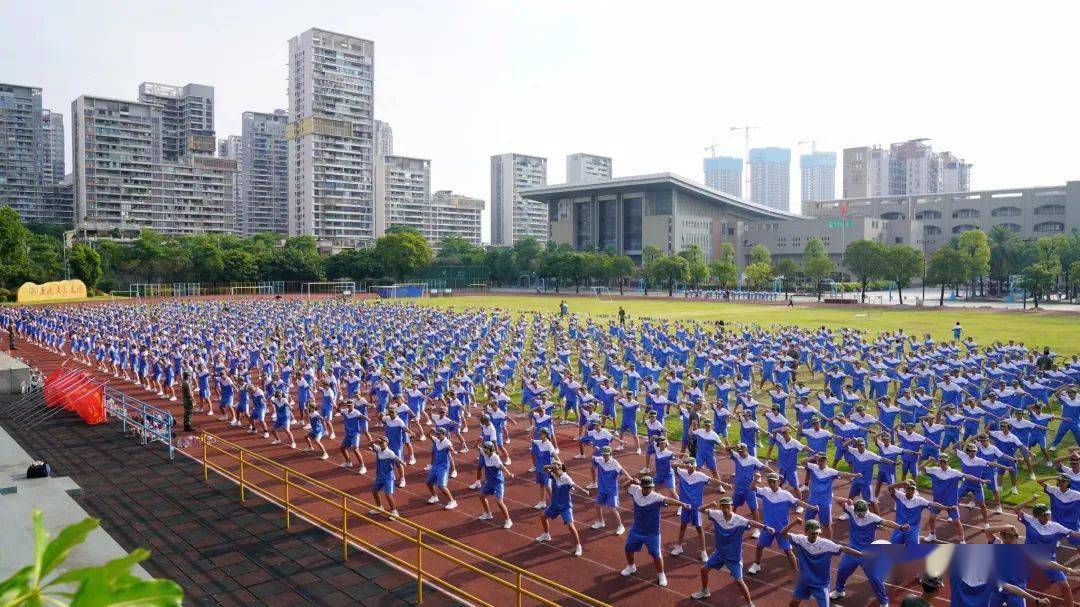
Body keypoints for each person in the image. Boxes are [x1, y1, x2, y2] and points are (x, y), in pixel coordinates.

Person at [691, 496, 770, 602]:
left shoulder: (739, 520)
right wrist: (710, 504)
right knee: (703, 570)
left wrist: (765, 527)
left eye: (728, 507)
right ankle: (705, 591)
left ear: (732, 507)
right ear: (720, 507)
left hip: (733, 557)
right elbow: (700, 509)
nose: (726, 509)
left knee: (739, 581)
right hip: (719, 553)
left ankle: (749, 603)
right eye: (723, 507)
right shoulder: (717, 515)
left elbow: (751, 522)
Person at [829, 499, 909, 603]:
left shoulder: (872, 517)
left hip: (868, 553)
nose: (862, 514)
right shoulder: (851, 510)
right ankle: (839, 591)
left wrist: (900, 527)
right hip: (852, 550)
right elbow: (838, 502)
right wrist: (847, 500)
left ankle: (884, 601)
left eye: (863, 512)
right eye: (859, 512)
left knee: (875, 578)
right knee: (842, 571)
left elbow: (886, 522)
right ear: (856, 510)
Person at [619, 475, 690, 588]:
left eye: (650, 487)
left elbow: (668, 500)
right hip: (636, 529)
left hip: (652, 533)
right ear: (641, 486)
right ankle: (631, 566)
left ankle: (661, 575)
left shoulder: (655, 497)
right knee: (628, 548)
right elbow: (623, 486)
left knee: (656, 554)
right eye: (646, 487)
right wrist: (631, 481)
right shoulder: (634, 490)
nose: (648, 489)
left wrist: (682, 504)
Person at [782, 518, 862, 607]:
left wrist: (861, 554)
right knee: (793, 604)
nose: (815, 535)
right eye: (812, 533)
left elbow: (844, 548)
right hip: (804, 581)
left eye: (817, 532)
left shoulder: (826, 544)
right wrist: (794, 523)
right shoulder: (800, 540)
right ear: (806, 531)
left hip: (820, 584)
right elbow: (783, 533)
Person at [535, 461, 588, 556]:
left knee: (570, 526)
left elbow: (574, 485)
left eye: (555, 467)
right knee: (543, 517)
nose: (552, 469)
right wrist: (553, 466)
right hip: (555, 505)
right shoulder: (553, 474)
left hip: (565, 507)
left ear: (559, 468)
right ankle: (546, 535)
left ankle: (578, 546)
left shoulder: (566, 478)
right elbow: (544, 468)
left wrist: (583, 490)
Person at [477, 441, 515, 529]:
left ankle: (508, 520)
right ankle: (488, 514)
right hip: (489, 482)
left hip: (498, 482)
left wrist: (509, 473)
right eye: (484, 448)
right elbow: (478, 448)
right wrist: (478, 442)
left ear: (490, 449)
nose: (484, 450)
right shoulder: (484, 453)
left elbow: (502, 466)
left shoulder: (495, 457)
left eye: (485, 448)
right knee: (481, 496)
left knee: (499, 502)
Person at [369, 436, 404, 518]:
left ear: (387, 443)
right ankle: (379, 507)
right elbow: (365, 445)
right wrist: (374, 440)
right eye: (380, 442)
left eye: (382, 442)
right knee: (374, 491)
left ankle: (394, 512)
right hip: (379, 476)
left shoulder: (390, 452)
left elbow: (396, 458)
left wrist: (402, 463)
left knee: (388, 495)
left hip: (388, 477)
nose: (381, 444)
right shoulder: (378, 449)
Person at [424, 427, 458, 509]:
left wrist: (453, 451)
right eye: (437, 433)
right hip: (435, 466)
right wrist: (431, 431)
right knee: (429, 482)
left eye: (439, 434)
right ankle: (434, 496)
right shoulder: (437, 440)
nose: (437, 435)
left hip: (443, 467)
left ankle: (452, 501)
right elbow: (428, 435)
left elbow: (450, 447)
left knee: (441, 486)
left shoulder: (447, 442)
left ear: (444, 434)